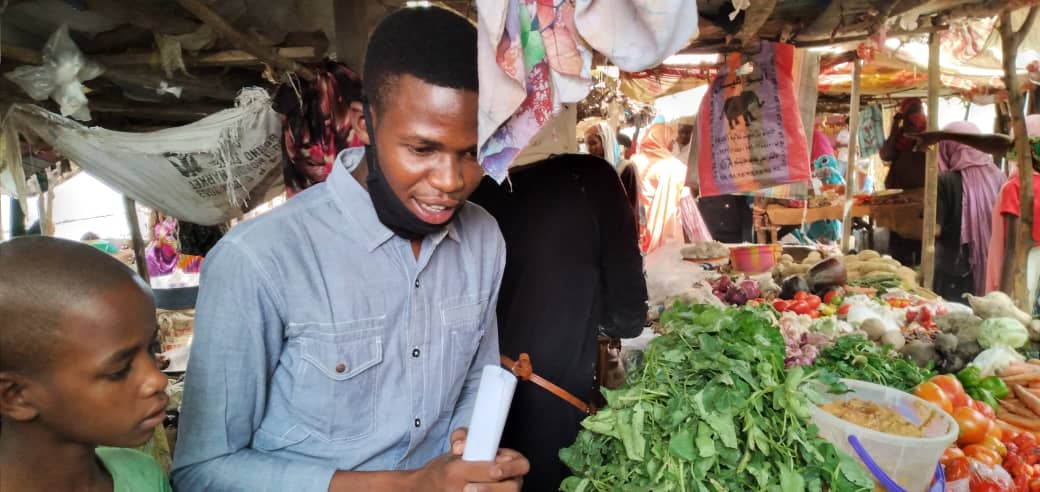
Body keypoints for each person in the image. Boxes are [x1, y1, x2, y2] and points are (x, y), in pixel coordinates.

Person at [171, 7, 529, 492]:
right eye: (422, 149)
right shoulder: (258, 261)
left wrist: (471, 462)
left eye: (473, 152)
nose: (452, 182)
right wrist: (411, 485)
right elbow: (203, 472)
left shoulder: (483, 238)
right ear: (365, 122)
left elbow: (476, 381)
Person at [468, 153, 647, 492]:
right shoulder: (590, 177)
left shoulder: (468, 182)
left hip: (477, 414)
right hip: (562, 412)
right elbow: (627, 317)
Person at [0, 236, 172, 492]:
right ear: (15, 396)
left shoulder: (142, 475)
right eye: (119, 370)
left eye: (151, 348)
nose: (158, 380)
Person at [930, 121, 1007, 299]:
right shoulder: (999, 176)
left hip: (954, 271)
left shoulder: (944, 181)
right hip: (993, 267)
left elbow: (934, 229)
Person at [880, 98, 927, 266]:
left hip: (921, 196)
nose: (913, 119)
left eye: (916, 114)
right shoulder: (900, 135)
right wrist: (895, 125)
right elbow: (886, 154)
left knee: (919, 237)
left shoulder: (928, 133)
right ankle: (903, 265)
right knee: (899, 242)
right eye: (909, 115)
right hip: (899, 196)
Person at [632, 123, 687, 252]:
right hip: (665, 228)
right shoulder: (676, 167)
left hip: (636, 224)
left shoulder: (634, 161)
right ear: (663, 140)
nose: (673, 144)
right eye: (671, 140)